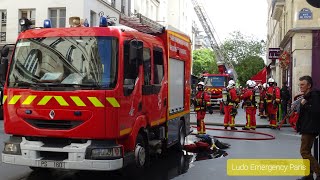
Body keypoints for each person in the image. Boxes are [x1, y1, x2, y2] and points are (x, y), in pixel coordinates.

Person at [296, 75, 320, 180]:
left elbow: (316, 112)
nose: (300, 86)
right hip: (306, 127)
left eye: (303, 84)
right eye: (299, 84)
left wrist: (305, 105)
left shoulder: (314, 96)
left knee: (304, 152)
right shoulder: (306, 96)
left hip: (310, 128)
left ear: (309, 85)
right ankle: (308, 175)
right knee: (307, 152)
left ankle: (318, 172)